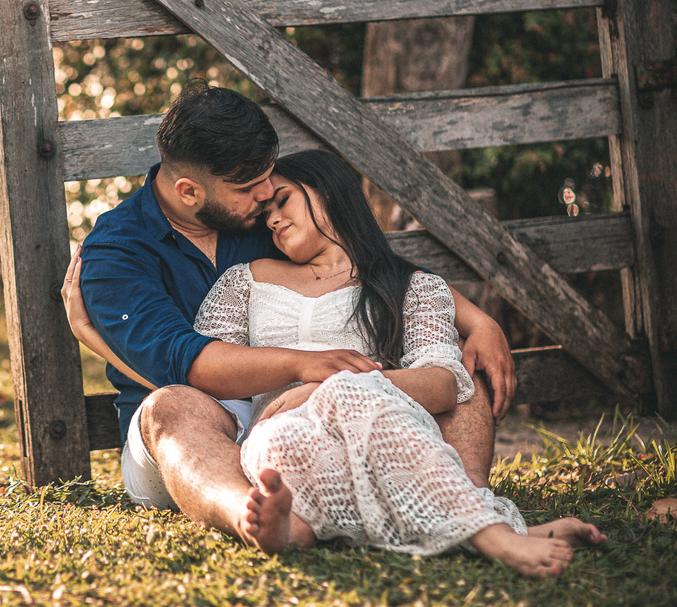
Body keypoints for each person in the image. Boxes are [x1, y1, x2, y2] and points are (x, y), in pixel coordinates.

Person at [62, 81, 517, 552]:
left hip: (312, 417)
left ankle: (467, 508)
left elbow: (369, 268)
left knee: (462, 376)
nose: (266, 195)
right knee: (171, 406)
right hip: (193, 436)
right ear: (189, 191)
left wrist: (478, 320)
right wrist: (305, 366)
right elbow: (187, 362)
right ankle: (252, 515)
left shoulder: (258, 217)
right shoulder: (117, 251)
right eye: (248, 185)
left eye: (269, 176)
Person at [192, 149, 604, 577]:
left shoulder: (412, 286)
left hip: (380, 439)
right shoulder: (246, 280)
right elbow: (211, 361)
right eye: (266, 215)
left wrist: (323, 387)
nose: (273, 220)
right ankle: (499, 534)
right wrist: (305, 376)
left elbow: (445, 383)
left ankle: (488, 532)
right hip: (280, 442)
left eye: (283, 201)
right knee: (346, 391)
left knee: (350, 389)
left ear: (329, 192)